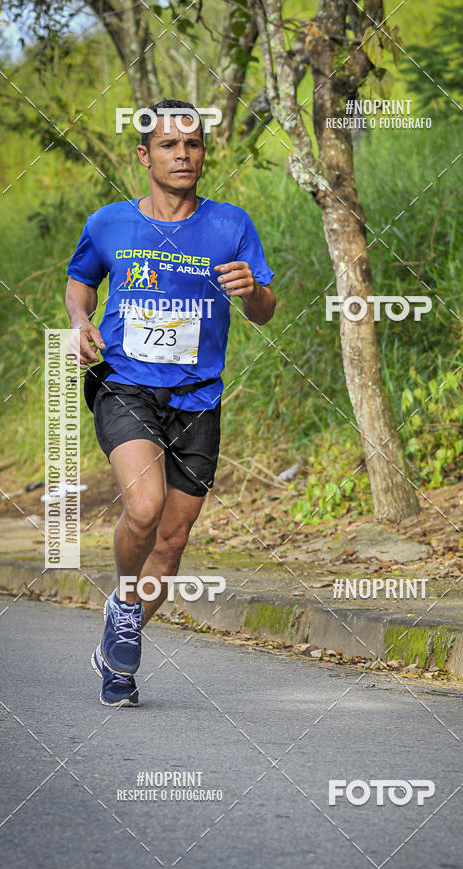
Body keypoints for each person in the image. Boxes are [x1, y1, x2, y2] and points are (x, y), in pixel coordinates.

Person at [65, 99, 276, 707]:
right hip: (126, 384)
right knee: (145, 505)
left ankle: (120, 645)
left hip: (198, 397)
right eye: (168, 145)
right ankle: (125, 597)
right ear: (145, 155)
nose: (183, 155)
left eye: (193, 145)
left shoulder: (231, 223)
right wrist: (81, 322)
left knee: (175, 539)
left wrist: (252, 291)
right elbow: (81, 284)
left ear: (203, 153)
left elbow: (264, 311)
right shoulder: (108, 223)